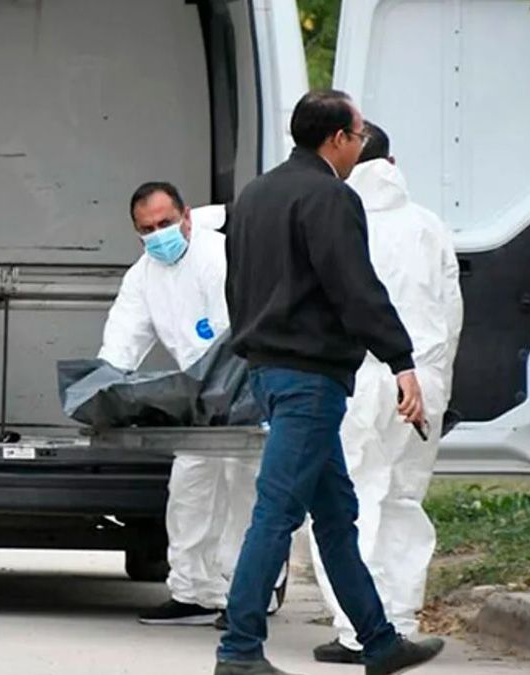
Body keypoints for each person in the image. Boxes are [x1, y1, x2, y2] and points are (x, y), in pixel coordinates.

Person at [215, 90, 443, 675]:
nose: (361, 147)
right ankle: (238, 651)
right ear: (337, 139)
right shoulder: (331, 197)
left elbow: (234, 287)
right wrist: (401, 359)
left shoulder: (254, 196)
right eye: (359, 136)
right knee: (277, 512)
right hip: (310, 379)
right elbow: (355, 287)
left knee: (336, 513)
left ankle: (380, 641)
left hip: (268, 371)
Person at [309, 122, 464, 664]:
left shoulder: (333, 218)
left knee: (346, 500)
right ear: (392, 163)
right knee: (403, 498)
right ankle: (398, 618)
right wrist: (436, 378)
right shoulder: (428, 225)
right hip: (421, 377)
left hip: (355, 377)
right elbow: (451, 312)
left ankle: (357, 629)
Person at [99, 182, 281, 628]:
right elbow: (125, 336)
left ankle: (248, 593)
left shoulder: (219, 257)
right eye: (147, 229)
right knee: (190, 490)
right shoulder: (143, 275)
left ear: (186, 217)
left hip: (246, 392)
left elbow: (234, 332)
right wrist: (103, 386)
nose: (158, 234)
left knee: (245, 490)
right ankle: (193, 592)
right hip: (200, 401)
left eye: (165, 223)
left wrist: (225, 389)